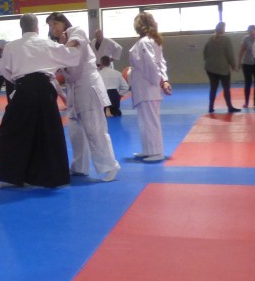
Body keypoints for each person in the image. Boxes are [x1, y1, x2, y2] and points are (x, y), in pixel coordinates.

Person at [0, 14, 81, 189]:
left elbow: (4, 70)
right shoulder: (48, 43)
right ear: (37, 28)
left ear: (21, 27)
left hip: (24, 88)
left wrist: (18, 82)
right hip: (46, 89)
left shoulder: (11, 46)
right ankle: (53, 177)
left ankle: (7, 177)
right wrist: (75, 38)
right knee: (49, 131)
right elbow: (72, 56)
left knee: (11, 132)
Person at [47, 12, 120, 182]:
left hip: (87, 85)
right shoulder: (58, 44)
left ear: (63, 23)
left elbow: (73, 45)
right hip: (73, 88)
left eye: (55, 24)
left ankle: (110, 166)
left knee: (95, 129)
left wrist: (63, 48)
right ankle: (80, 166)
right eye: (50, 25)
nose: (53, 28)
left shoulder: (76, 31)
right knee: (75, 130)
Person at [127, 12, 172, 162]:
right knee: (144, 120)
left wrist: (158, 81)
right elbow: (161, 63)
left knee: (150, 120)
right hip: (144, 86)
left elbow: (153, 65)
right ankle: (147, 149)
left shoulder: (146, 41)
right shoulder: (151, 40)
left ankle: (156, 152)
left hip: (148, 86)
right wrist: (163, 80)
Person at [203, 22, 240, 114]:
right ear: (223, 29)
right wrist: (233, 65)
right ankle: (229, 107)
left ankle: (211, 107)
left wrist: (209, 61)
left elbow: (205, 52)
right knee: (226, 88)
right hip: (223, 68)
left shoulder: (210, 39)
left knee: (213, 88)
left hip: (210, 68)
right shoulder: (226, 40)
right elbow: (230, 54)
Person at [238, 25, 255, 109]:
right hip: (246, 64)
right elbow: (241, 51)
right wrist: (239, 62)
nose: (251, 33)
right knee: (248, 83)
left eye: (252, 31)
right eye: (249, 31)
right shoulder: (246, 39)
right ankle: (246, 102)